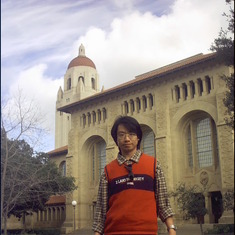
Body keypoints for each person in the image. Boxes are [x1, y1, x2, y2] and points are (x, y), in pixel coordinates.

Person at [92, 116, 177, 235]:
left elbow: (163, 204)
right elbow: (101, 211)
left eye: (131, 134)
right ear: (116, 140)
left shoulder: (153, 165)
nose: (126, 139)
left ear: (138, 138)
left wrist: (171, 228)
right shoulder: (108, 171)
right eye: (121, 135)